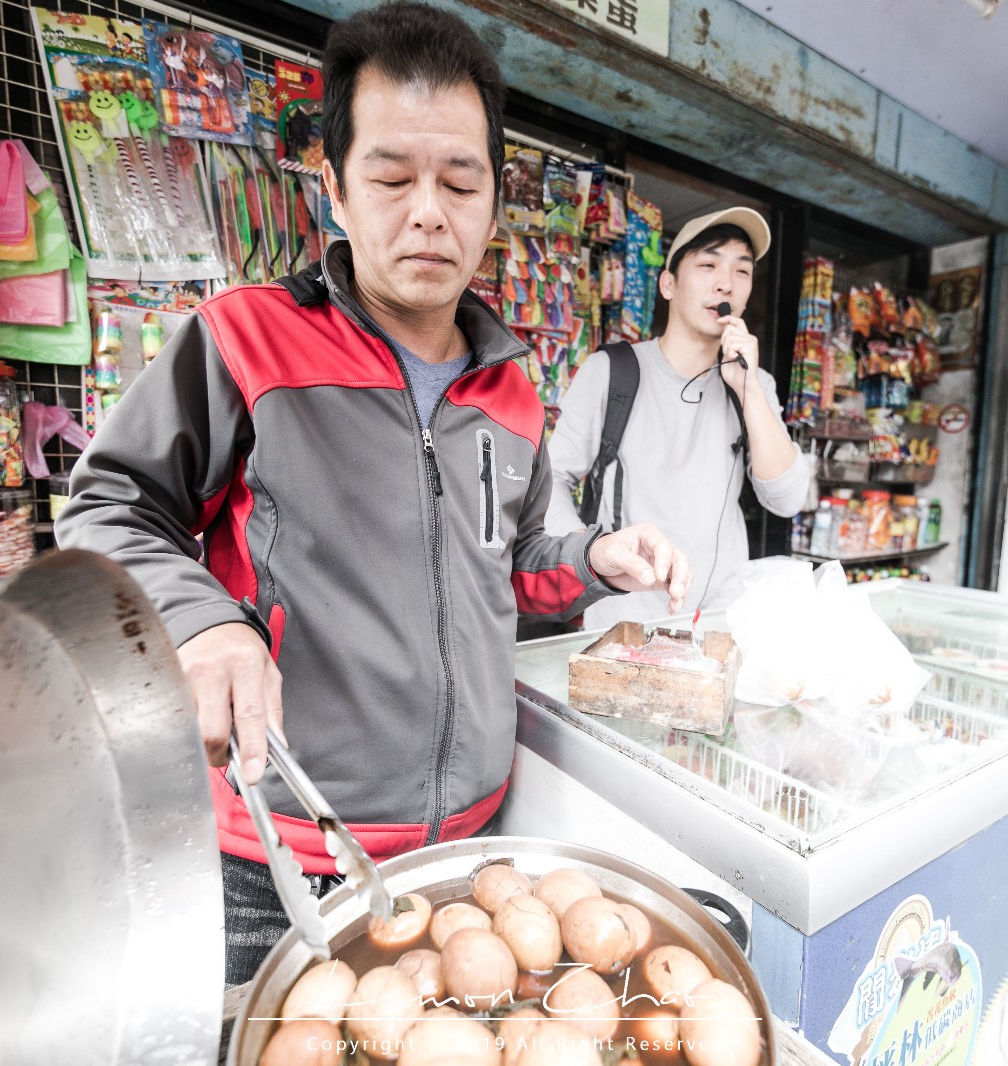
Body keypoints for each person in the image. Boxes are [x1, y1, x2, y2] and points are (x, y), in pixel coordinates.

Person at [55, 0, 690, 985]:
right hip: (279, 854)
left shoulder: (512, 391)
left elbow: (510, 575)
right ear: (336, 192)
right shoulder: (244, 340)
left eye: (459, 181)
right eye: (391, 176)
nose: (427, 211)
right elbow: (108, 505)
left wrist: (589, 560)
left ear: (491, 202)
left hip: (469, 849)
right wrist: (200, 623)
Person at [545, 207, 810, 630]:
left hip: (720, 622)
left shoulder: (753, 384)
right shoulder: (612, 371)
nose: (726, 282)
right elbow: (553, 479)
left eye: (742, 272)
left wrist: (750, 390)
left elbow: (786, 498)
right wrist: (589, 555)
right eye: (708, 264)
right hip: (621, 623)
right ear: (668, 284)